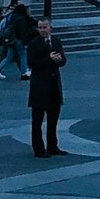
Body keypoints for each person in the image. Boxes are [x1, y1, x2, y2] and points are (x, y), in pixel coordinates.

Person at [28, 18, 67, 156]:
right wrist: (48, 59)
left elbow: (63, 60)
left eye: (45, 27)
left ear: (50, 28)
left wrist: (59, 60)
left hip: (54, 85)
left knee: (53, 120)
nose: (42, 30)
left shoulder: (56, 42)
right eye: (40, 27)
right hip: (39, 86)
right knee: (37, 121)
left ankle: (52, 146)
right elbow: (31, 63)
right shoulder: (33, 44)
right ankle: (38, 149)